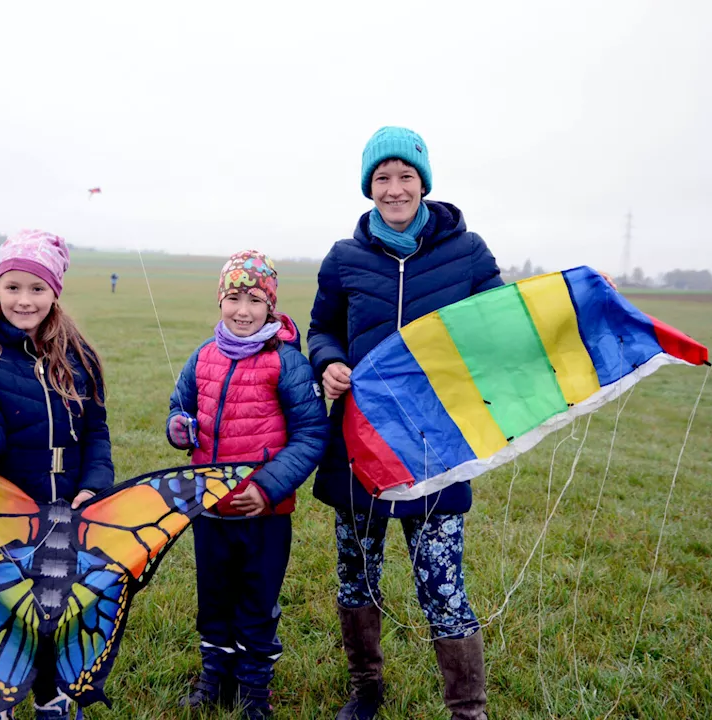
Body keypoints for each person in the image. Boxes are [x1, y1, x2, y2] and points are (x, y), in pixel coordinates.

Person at [308, 127, 500, 720]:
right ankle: (366, 691)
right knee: (356, 577)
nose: (394, 190)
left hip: (434, 447)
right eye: (382, 179)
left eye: (405, 177)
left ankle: (467, 708)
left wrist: (578, 306)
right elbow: (321, 329)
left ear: (424, 183)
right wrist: (330, 362)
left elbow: (505, 324)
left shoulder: (467, 253)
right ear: (369, 187)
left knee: (442, 584)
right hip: (358, 447)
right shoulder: (345, 258)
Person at [0, 229, 112, 720]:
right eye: (13, 286)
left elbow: (96, 431)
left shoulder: (80, 358)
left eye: (37, 288)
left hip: (65, 509)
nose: (24, 299)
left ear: (55, 292)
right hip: (6, 510)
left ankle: (51, 696)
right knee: (2, 603)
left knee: (56, 608)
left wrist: (94, 487)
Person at [166, 250, 328, 719]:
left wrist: (269, 487)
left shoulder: (287, 363)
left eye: (255, 299)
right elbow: (180, 408)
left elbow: (311, 434)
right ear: (219, 300)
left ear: (271, 307)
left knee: (256, 601)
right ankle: (214, 677)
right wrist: (179, 427)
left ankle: (254, 689)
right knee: (214, 596)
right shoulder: (203, 356)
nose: (243, 309)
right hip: (210, 511)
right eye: (234, 297)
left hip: (264, 514)